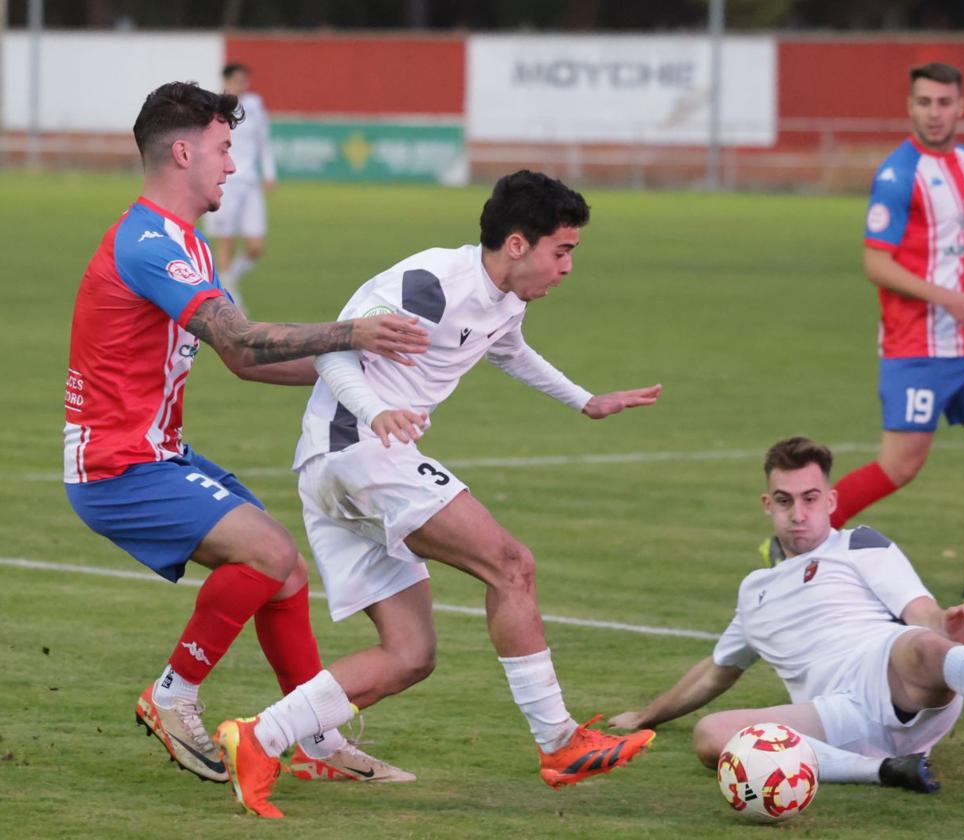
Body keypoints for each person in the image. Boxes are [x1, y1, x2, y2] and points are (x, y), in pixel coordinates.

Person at [214, 170, 663, 819]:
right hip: (358, 450)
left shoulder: (503, 300)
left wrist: (585, 401)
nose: (567, 267)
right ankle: (560, 742)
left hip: (342, 465)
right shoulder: (428, 283)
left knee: (409, 654)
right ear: (517, 244)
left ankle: (260, 738)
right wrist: (375, 414)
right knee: (511, 565)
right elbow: (336, 350)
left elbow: (509, 350)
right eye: (561, 250)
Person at [63, 81, 429, 787]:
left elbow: (239, 359)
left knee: (284, 573)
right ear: (181, 151)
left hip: (155, 454)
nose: (233, 164)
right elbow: (243, 337)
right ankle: (171, 696)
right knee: (268, 552)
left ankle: (316, 742)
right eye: (223, 149)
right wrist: (353, 333)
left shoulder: (188, 244)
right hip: (117, 466)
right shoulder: (146, 243)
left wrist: (368, 384)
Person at [614, 436, 964, 793]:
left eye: (810, 498)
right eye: (785, 500)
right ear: (767, 505)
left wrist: (941, 626)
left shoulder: (859, 544)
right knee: (713, 735)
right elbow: (716, 672)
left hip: (893, 678)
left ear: (831, 500)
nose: (799, 513)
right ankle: (888, 771)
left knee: (921, 643)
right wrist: (645, 717)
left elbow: (921, 610)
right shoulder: (754, 590)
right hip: (834, 718)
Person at [771, 62, 964, 612]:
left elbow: (958, 239)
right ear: (910, 107)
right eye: (923, 103)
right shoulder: (899, 173)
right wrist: (950, 299)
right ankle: (790, 545)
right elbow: (876, 263)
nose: (933, 113)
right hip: (917, 343)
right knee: (901, 466)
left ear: (961, 107)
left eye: (943, 103)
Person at [205, 63, 276, 312]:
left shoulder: (255, 105)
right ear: (226, 81)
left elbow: (263, 141)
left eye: (245, 80)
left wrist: (269, 172)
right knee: (226, 242)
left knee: (256, 246)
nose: (242, 85)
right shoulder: (214, 107)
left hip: (250, 182)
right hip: (225, 182)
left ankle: (226, 282)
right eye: (237, 80)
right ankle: (231, 303)